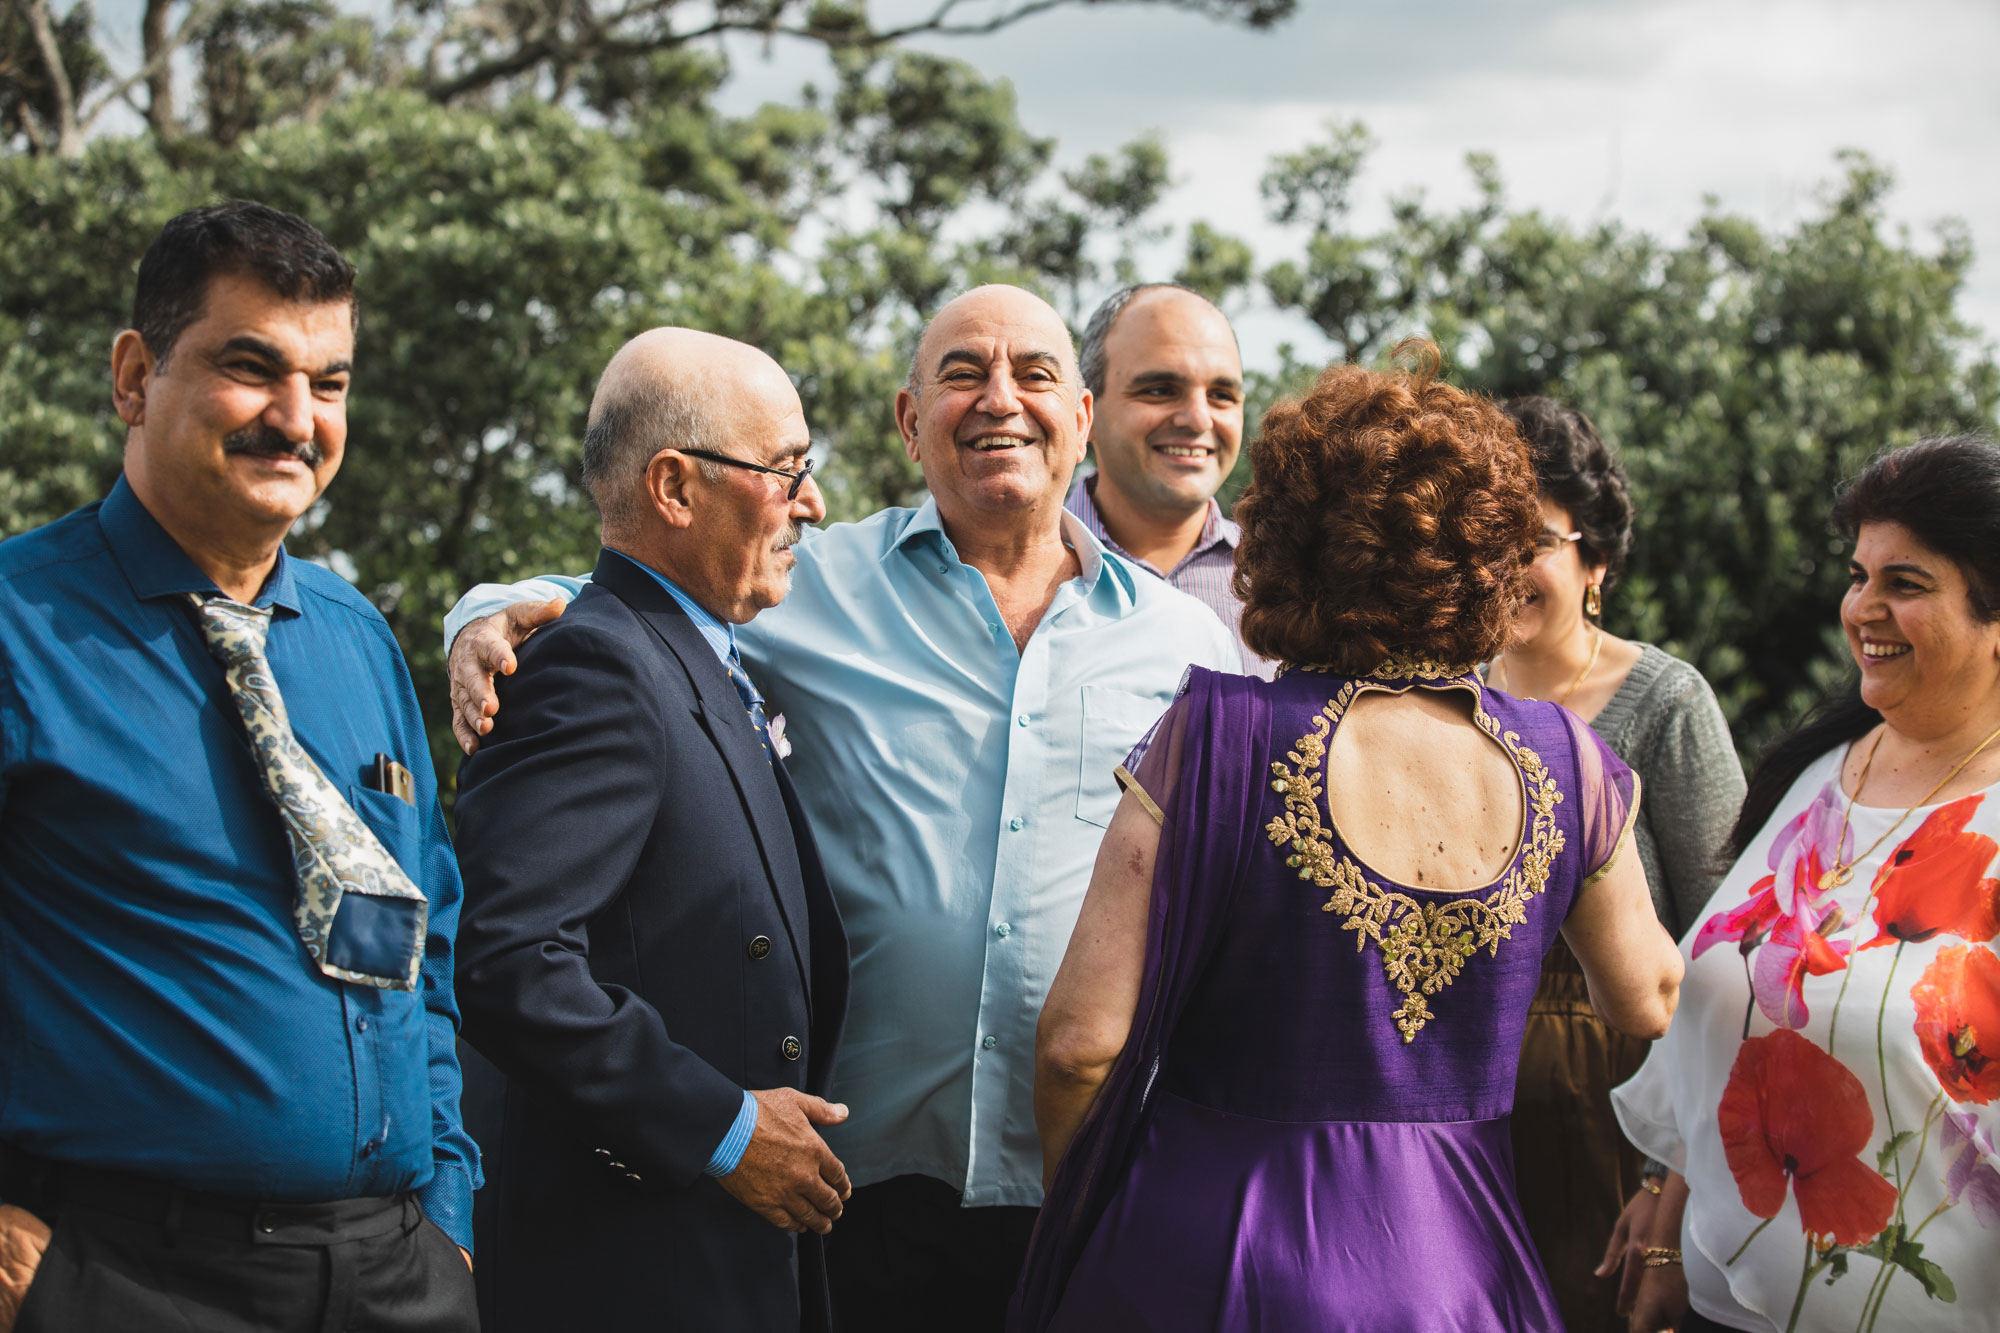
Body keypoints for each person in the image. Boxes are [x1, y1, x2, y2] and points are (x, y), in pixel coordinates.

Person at [441, 285, 1239, 1329]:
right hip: (848, 1192)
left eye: (1034, 374)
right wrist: (481, 617)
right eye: (961, 374)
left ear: (1080, 419)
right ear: (910, 424)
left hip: (1090, 1186)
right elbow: (627, 600)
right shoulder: (808, 581)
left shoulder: (1187, 646)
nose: (1000, 399)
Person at [1012, 343, 1684, 1332]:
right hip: (1453, 1265)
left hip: (1200, 1249)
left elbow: (1078, 1045)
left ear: (1281, 547)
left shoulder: (1216, 735)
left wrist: (1091, 1204)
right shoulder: (1565, 759)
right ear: (1484, 559)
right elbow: (1646, 994)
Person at [0, 202, 478, 1332]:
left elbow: (433, 948)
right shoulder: (17, 625)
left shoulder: (357, 636)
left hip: (399, 1271)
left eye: (330, 382)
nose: (297, 418)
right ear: (134, 377)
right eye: (251, 367)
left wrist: (450, 1211)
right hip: (121, 1281)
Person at [450, 328, 851, 1332]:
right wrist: (722, 1129)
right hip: (631, 1268)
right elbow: (511, 961)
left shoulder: (689, 655)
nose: (812, 501)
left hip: (720, 1259)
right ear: (674, 488)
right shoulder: (596, 667)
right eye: (787, 469)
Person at [1611, 435, 2000, 1333]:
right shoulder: (1813, 773)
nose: (1863, 606)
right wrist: (1668, 1237)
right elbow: (1721, 1014)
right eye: (1859, 574)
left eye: (1906, 583)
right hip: (1720, 1307)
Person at [1490, 397, 1744, 1333]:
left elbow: (1733, 966)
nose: (1502, 564)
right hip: (1467, 1125)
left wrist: (1668, 1188)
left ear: (1594, 560)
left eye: (1533, 539)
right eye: (1481, 534)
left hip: (1620, 1126)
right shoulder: (1436, 701)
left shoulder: (1666, 704)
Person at [1070, 283, 1273, 676]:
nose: (1198, 419)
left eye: (1221, 395)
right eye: (1161, 390)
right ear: (1085, 415)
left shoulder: (1288, 582)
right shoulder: (1015, 571)